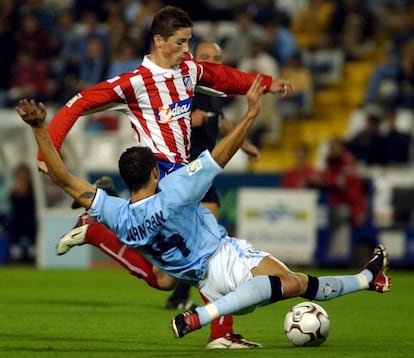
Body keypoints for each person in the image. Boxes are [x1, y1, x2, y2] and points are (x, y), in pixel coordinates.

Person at [17, 76, 390, 344]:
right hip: (225, 259)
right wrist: (250, 114)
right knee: (292, 283)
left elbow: (64, 178)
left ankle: (366, 279)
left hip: (207, 283)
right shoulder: (175, 190)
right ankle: (202, 317)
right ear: (152, 171)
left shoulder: (119, 216)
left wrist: (38, 130)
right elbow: (220, 154)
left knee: (299, 283)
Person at [164, 40, 262, 348]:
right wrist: (185, 120)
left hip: (203, 172)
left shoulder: (214, 90)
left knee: (206, 242)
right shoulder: (185, 86)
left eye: (215, 59)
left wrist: (241, 141)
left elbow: (221, 121)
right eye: (204, 57)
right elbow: (161, 115)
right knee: (204, 245)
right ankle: (196, 306)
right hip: (183, 170)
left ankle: (184, 297)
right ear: (195, 58)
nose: (210, 62)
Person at [7, 163, 37, 264]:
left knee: (32, 233)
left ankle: (32, 258)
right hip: (18, 221)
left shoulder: (33, 190)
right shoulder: (14, 191)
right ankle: (16, 259)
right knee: (14, 230)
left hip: (30, 221)